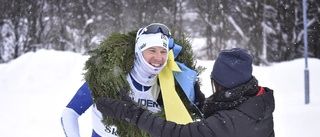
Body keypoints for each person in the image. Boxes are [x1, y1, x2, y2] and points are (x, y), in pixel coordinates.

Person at [60, 23, 205, 137]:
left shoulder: (167, 87)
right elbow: (70, 112)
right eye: (151, 51)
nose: (158, 58)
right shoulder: (108, 78)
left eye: (163, 52)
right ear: (139, 51)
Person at [96, 48, 275, 137]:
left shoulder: (228, 124)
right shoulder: (258, 104)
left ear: (223, 84)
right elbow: (229, 116)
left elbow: (177, 134)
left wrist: (131, 113)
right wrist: (198, 100)